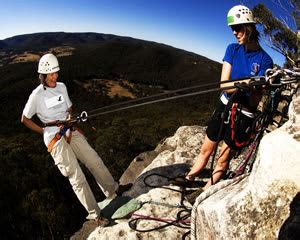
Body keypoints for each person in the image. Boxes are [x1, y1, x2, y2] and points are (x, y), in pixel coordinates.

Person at [21, 53, 130, 226]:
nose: (54, 77)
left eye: (56, 72)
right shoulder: (37, 95)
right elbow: (25, 119)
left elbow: (70, 109)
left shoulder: (62, 87)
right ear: (42, 75)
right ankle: (95, 215)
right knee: (76, 176)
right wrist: (42, 130)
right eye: (50, 74)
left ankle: (113, 190)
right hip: (54, 137)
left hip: (69, 129)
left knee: (94, 160)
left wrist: (70, 125)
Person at [184, 5, 273, 203]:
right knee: (206, 149)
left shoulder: (265, 60)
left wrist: (255, 89)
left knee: (223, 158)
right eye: (232, 28)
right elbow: (223, 84)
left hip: (243, 114)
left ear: (249, 27)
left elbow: (253, 100)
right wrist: (248, 83)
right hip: (225, 106)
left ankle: (202, 197)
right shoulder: (232, 49)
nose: (235, 32)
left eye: (239, 27)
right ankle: (188, 179)